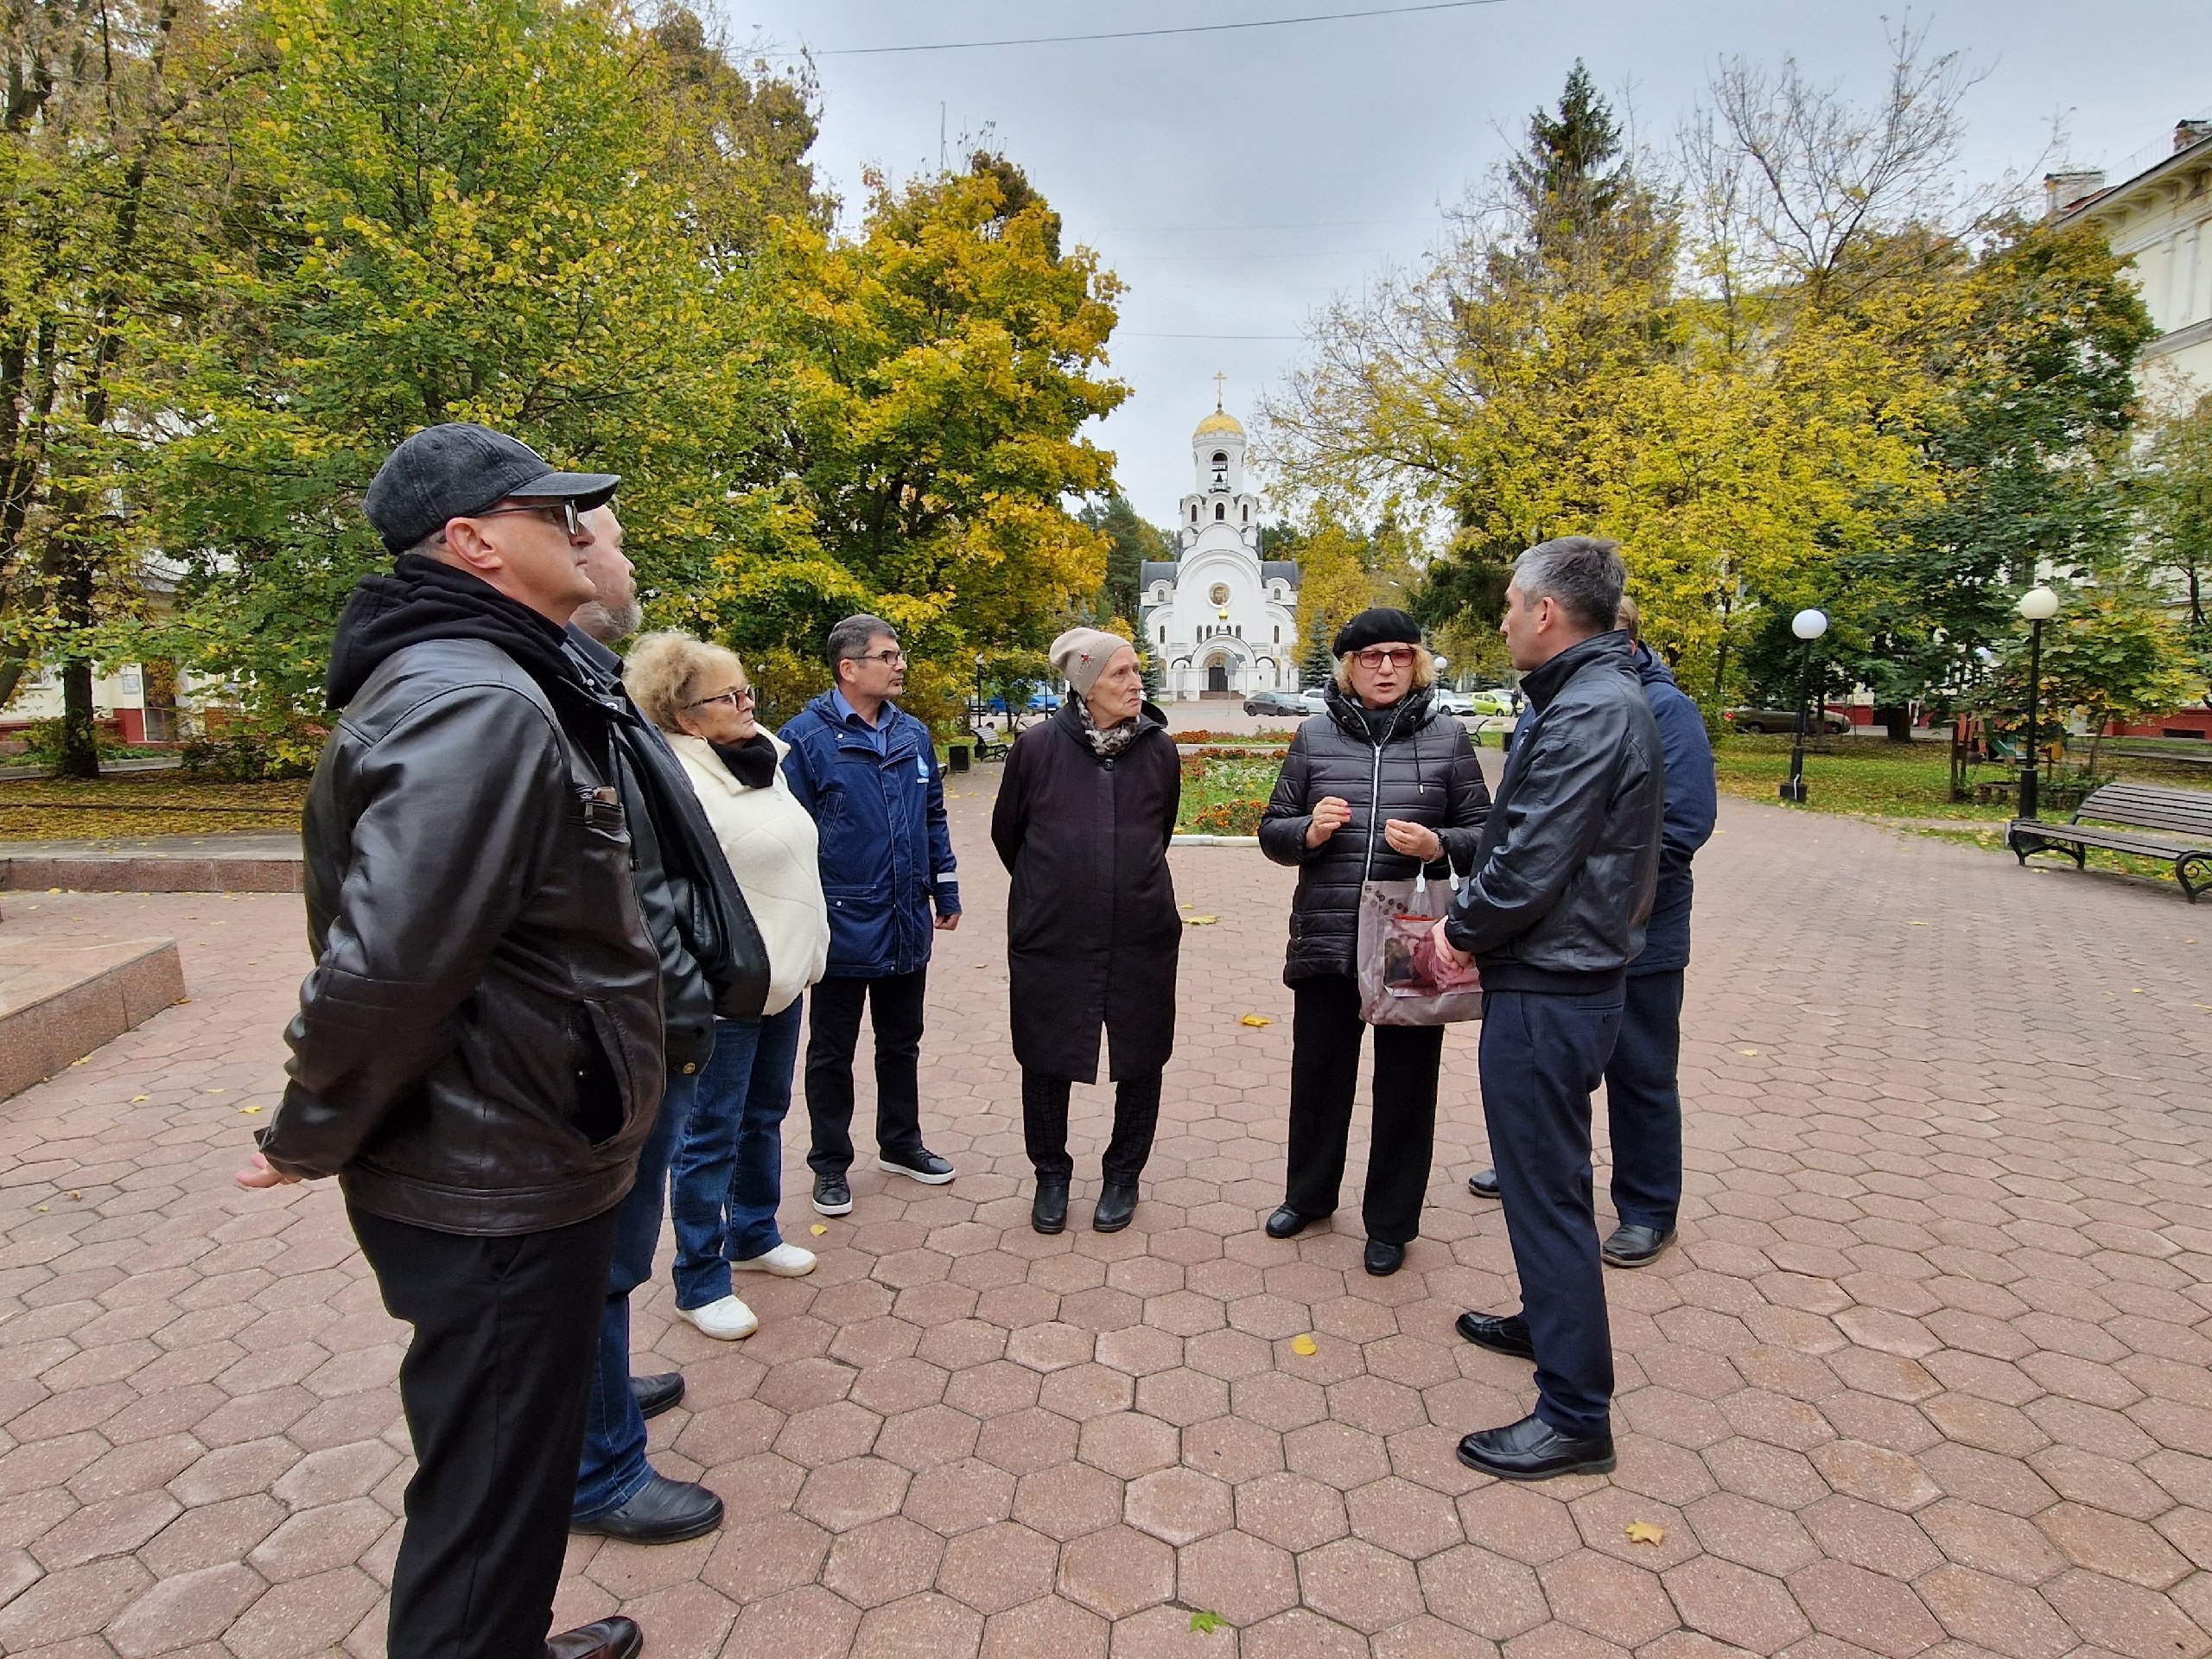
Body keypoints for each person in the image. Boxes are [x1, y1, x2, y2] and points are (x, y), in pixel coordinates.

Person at [236, 423, 660, 1659]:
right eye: (554, 514)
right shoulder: (476, 700)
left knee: (509, 1474)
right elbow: (389, 968)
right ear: (474, 543)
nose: (581, 531)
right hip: (496, 1177)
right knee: (485, 1497)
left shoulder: (496, 678)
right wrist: (308, 1128)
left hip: (512, 1148)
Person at [1430, 536, 1664, 1483]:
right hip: (1560, 972)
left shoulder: (1589, 710)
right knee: (1547, 1179)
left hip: (1552, 981)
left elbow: (1531, 857)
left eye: (1509, 603)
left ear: (1547, 614)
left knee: (1546, 1187)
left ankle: (1574, 1415)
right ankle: (1549, 1322)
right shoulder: (1590, 696)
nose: (1500, 619)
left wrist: (1459, 929)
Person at [563, 511, 760, 1546]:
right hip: (620, 1018)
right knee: (595, 1247)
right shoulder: (500, 691)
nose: (625, 556)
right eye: (602, 537)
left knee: (615, 1250)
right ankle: (597, 1468)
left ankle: (600, 1397)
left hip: (652, 1007)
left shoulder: (569, 679)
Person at [1465, 596, 1715, 1270]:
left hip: (1640, 932)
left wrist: (1585, 883)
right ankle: (1537, 1168)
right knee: (1556, 1069)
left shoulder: (1663, 710)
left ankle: (1646, 1208)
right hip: (1556, 932)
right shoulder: (1554, 701)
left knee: (1641, 1074)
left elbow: (1684, 827)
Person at [1256, 608, 1491, 1276]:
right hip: (1330, 933)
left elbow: (1488, 834)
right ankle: (1309, 1196)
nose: (1384, 667)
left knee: (1406, 1084)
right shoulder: (1312, 737)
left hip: (1408, 940)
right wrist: (1307, 832)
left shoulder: (1448, 740)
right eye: (1369, 656)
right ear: (1348, 666)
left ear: (1415, 662)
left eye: (1397, 655)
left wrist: (1439, 843)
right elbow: (1273, 830)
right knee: (1320, 1073)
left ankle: (1390, 1222)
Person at [624, 632, 831, 1335]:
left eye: (747, 691)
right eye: (728, 696)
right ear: (685, 717)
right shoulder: (674, 779)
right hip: (725, 985)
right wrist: (698, 974)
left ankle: (753, 1233)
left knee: (764, 1114)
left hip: (781, 974)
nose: (748, 703)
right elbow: (663, 889)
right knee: (708, 1134)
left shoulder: (760, 757)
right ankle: (699, 1279)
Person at [991, 628, 1181, 1235]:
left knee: (1141, 1052)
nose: (1135, 682)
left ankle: (1123, 1175)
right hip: (1054, 931)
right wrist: (1052, 887)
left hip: (1142, 929)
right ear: (1084, 683)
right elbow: (1008, 836)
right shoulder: (1037, 748)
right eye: (1119, 673)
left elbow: (1160, 832)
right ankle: (1051, 1174)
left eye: (1135, 670)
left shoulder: (1160, 751)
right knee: (1046, 1051)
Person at [779, 615, 961, 1217]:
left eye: (899, 654)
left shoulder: (913, 735)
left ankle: (900, 1144)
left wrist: (946, 890)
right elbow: (790, 837)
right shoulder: (803, 740)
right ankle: (830, 1164)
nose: (900, 664)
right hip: (839, 925)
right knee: (832, 1049)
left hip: (905, 918)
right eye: (888, 655)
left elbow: (933, 815)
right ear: (848, 667)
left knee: (901, 1042)